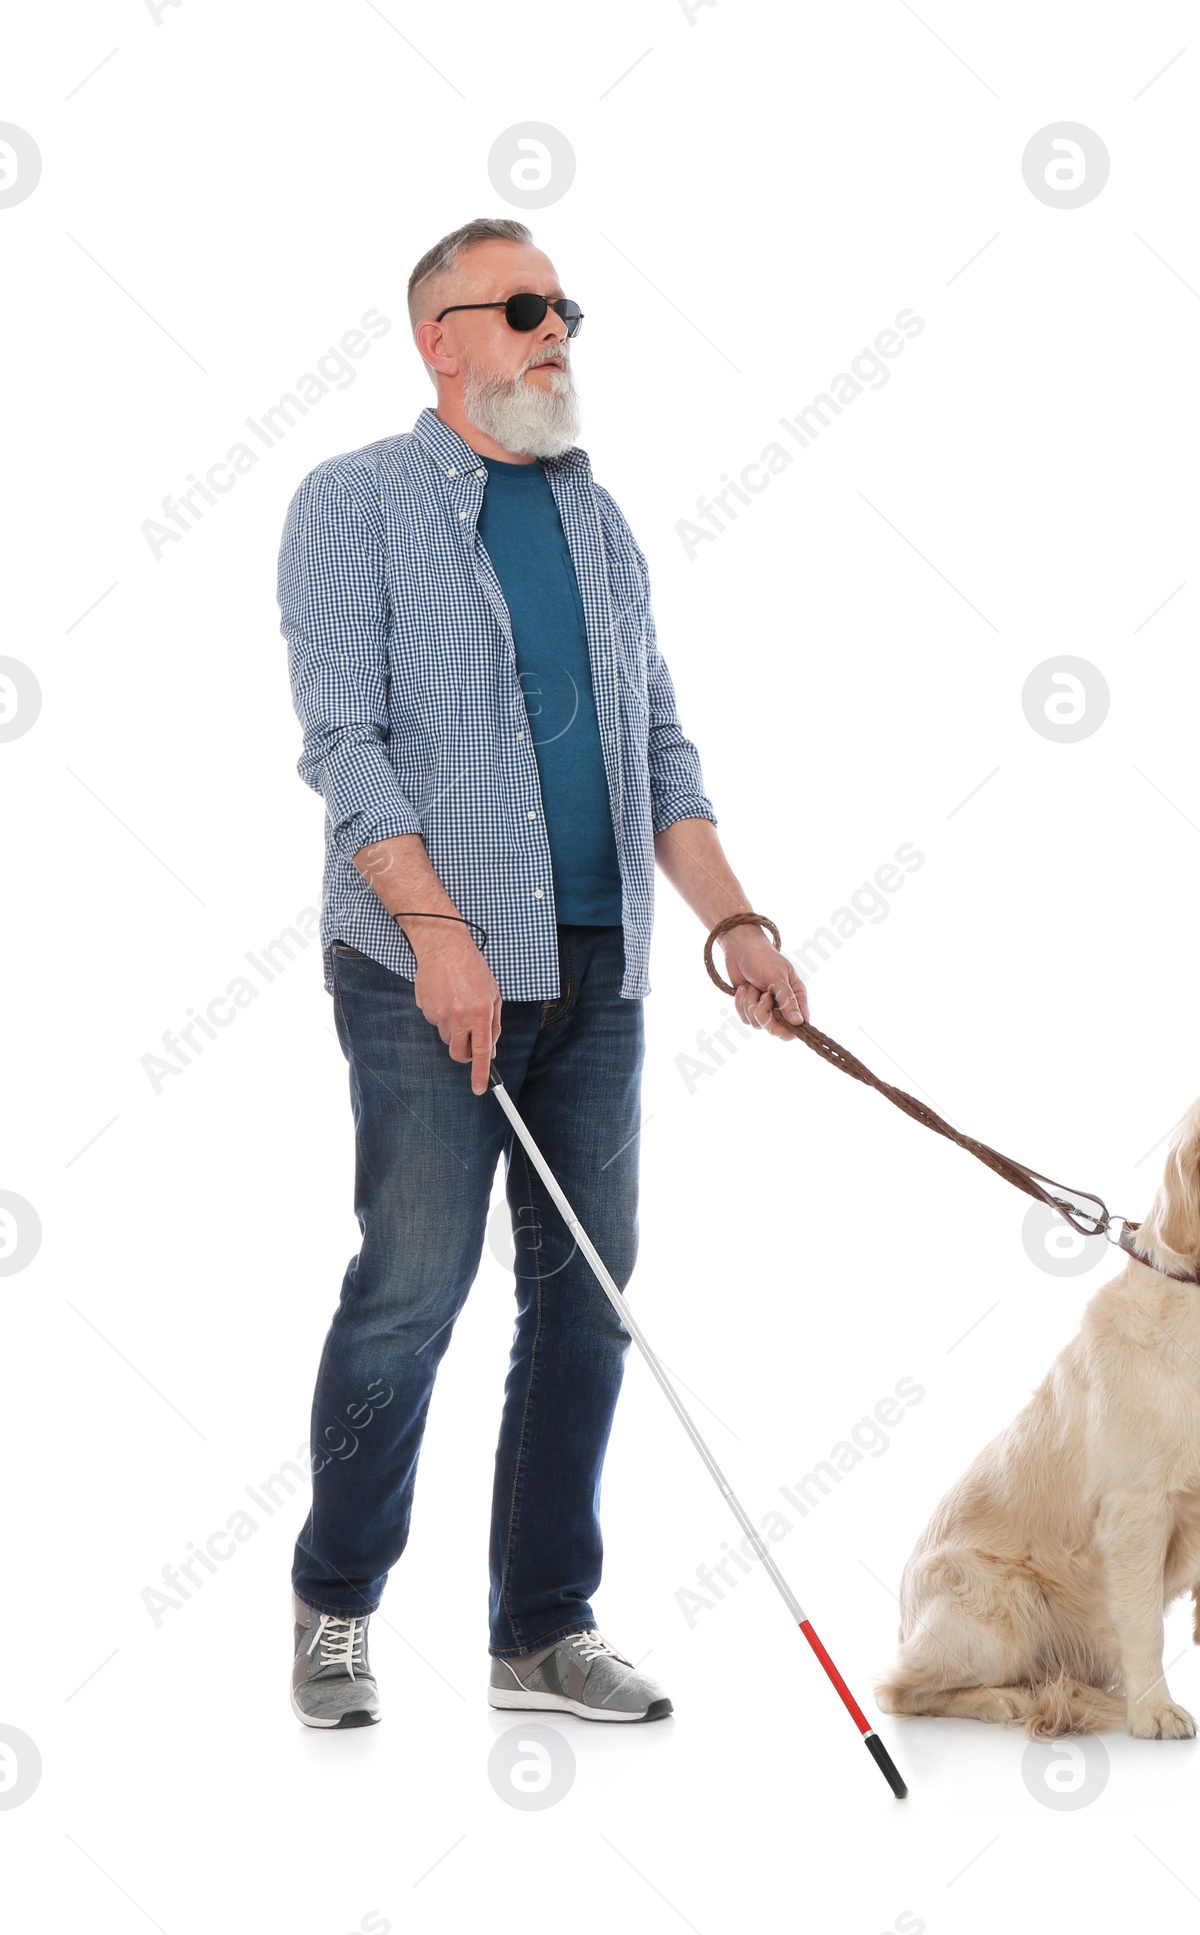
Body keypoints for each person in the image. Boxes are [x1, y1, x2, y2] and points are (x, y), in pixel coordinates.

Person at [277, 216, 807, 1730]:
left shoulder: (599, 516)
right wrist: (442, 939)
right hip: (417, 966)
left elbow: (657, 745)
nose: (553, 329)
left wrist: (734, 921)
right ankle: (337, 1604)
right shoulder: (354, 503)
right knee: (411, 1287)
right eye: (518, 308)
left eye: (563, 305)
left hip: (604, 968)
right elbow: (345, 744)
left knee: (587, 1299)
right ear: (437, 338)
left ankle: (540, 1630)